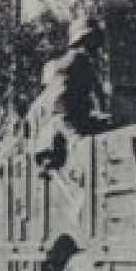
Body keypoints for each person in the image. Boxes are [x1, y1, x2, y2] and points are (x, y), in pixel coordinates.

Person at [32, 15, 109, 169]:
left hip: (59, 124)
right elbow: (62, 106)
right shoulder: (80, 61)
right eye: (93, 42)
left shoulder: (58, 65)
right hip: (67, 124)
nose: (97, 48)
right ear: (84, 41)